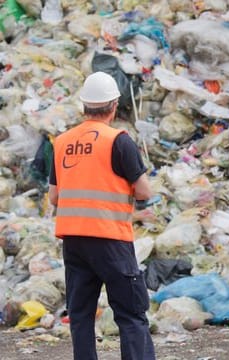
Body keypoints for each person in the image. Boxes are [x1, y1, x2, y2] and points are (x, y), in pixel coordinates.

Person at [48, 72, 156, 360]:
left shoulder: (62, 142)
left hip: (73, 241)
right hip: (110, 239)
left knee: (81, 316)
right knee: (131, 314)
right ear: (114, 105)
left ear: (85, 105)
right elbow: (144, 191)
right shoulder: (118, 141)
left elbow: (54, 196)